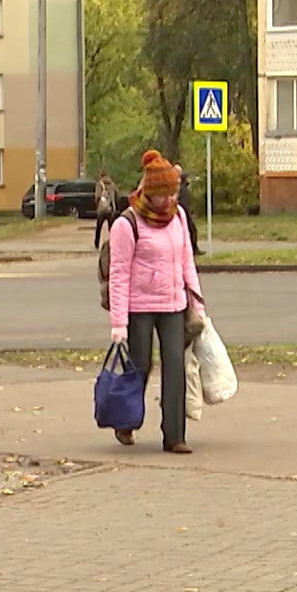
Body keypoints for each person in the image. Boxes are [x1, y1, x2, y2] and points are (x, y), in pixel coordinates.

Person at [108, 150, 204, 455]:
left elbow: (188, 261)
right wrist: (119, 323)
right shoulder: (127, 223)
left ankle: (174, 436)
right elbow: (119, 274)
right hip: (140, 306)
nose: (169, 200)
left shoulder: (178, 217)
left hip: (174, 303)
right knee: (141, 365)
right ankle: (126, 421)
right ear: (150, 192)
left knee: (175, 365)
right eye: (164, 194)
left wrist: (197, 302)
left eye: (173, 193)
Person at [177, 171, 202, 256]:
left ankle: (193, 249)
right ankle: (192, 250)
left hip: (185, 213)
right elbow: (183, 203)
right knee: (191, 231)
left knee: (191, 231)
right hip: (184, 213)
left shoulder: (183, 188)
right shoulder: (182, 190)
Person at [93, 172, 119, 250]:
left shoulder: (99, 184)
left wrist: (97, 204)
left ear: (101, 176)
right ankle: (113, 243)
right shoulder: (113, 184)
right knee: (111, 228)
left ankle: (97, 244)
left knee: (99, 227)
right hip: (110, 209)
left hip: (102, 209)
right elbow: (117, 195)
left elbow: (97, 196)